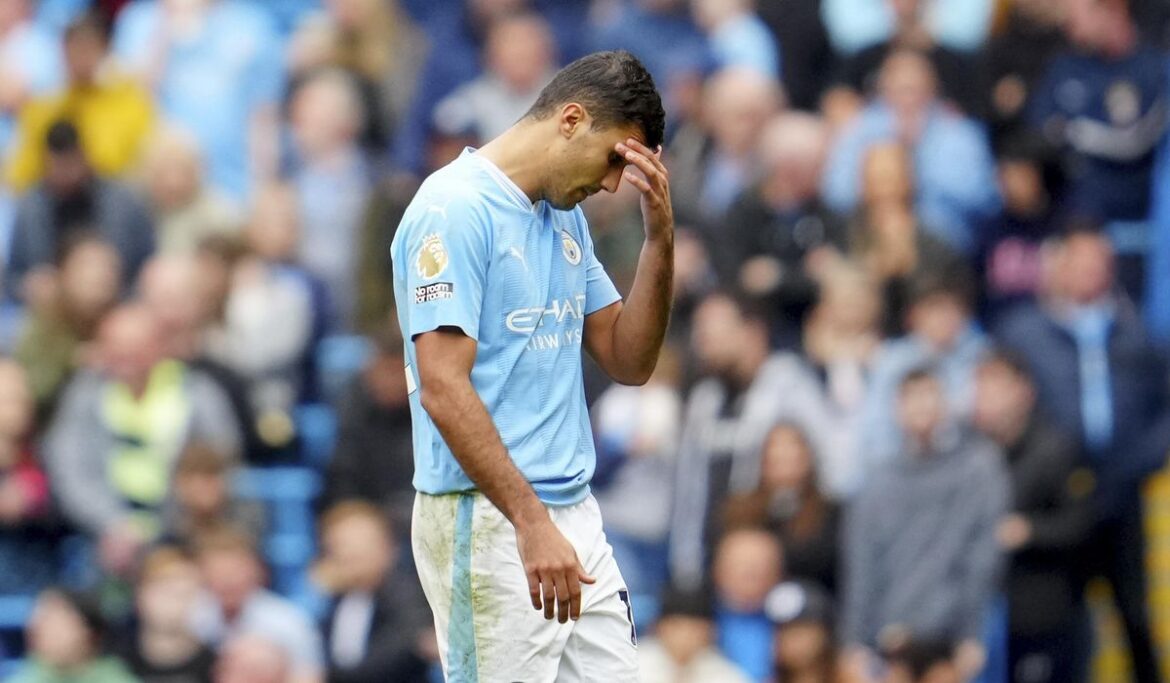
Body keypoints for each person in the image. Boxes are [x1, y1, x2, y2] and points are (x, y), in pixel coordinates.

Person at [391, 50, 671, 681]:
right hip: (489, 517)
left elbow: (630, 359)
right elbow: (440, 386)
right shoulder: (453, 210)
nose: (608, 185)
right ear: (571, 119)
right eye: (612, 161)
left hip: (572, 511)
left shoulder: (563, 218)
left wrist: (659, 240)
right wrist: (530, 521)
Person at [995, 227, 1170, 683]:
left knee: (1135, 615)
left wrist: (1143, 458)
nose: (1094, 272)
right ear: (1060, 265)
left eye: (1102, 262)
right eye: (1083, 260)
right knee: (1064, 626)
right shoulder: (1025, 332)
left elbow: (1163, 407)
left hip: (1120, 495)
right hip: (1055, 500)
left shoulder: (1134, 332)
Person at [44, 304, 242, 575]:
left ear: (160, 347)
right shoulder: (85, 395)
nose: (125, 357)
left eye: (135, 347)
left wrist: (179, 517)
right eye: (116, 346)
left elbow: (221, 457)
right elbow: (69, 469)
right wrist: (114, 523)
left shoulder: (197, 393)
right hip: (102, 536)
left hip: (184, 530)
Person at [843, 369, 1008, 682]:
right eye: (911, 398)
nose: (921, 407)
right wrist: (856, 641)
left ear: (946, 404)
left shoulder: (979, 468)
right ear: (895, 408)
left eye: (930, 396)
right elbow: (863, 563)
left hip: (952, 636)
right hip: (891, 637)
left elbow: (982, 558)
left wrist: (972, 634)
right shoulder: (877, 480)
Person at [972, 350, 1095, 683]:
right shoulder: (967, 453)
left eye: (997, 387)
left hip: (1043, 612)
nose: (986, 399)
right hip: (981, 616)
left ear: (1024, 392)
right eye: (980, 388)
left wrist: (1029, 531)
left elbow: (1082, 524)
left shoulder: (1055, 449)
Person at [5, 10, 154, 193]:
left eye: (88, 49)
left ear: (105, 51)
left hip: (111, 203)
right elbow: (21, 175)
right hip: (55, 205)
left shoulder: (130, 103)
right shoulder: (44, 108)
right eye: (74, 49)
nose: (80, 58)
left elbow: (139, 167)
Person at [7, 120, 154, 298]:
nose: (67, 173)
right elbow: (13, 276)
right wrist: (28, 285)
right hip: (52, 307)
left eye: (72, 163)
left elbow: (148, 263)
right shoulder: (30, 208)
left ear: (85, 156)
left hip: (118, 300)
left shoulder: (122, 201)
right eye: (59, 165)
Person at [313, 501, 434, 683]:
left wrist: (325, 674)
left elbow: (394, 657)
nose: (348, 553)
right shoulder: (331, 598)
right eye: (338, 545)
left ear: (389, 548)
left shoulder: (409, 595)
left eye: (360, 546)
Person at [191, 526, 325, 683]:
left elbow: (308, 677)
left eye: (234, 572)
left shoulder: (288, 621)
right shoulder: (194, 617)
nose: (226, 582)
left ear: (256, 571)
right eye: (218, 573)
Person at [723, 423, 840, 595]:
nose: (784, 456)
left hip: (811, 608)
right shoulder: (739, 509)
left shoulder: (829, 513)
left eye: (792, 449)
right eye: (776, 450)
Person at [114, 546, 217, 683]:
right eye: (164, 591)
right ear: (139, 594)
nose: (173, 603)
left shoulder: (216, 667)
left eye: (184, 593)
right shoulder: (114, 663)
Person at [12, 588, 138, 683]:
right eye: (39, 620)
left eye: (53, 620)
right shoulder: (26, 677)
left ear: (89, 631)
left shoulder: (115, 677)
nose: (38, 628)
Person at [711, 526, 785, 681]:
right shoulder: (700, 618)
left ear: (779, 573)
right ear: (718, 570)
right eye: (742, 563)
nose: (751, 571)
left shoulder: (791, 622)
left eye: (761, 564)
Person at [637, 586, 751, 683]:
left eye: (694, 629)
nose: (685, 637)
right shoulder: (634, 662)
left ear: (710, 632)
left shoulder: (726, 675)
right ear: (659, 627)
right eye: (677, 626)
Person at [765, 580, 837, 683]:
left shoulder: (850, 676)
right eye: (783, 632)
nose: (791, 641)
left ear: (823, 632)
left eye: (799, 631)